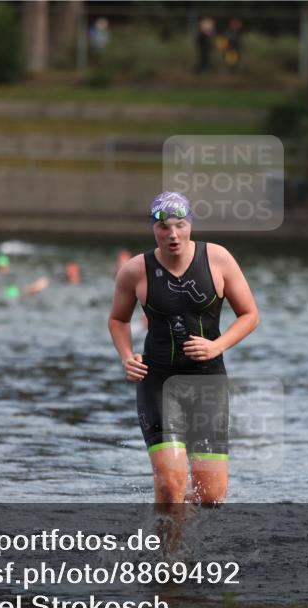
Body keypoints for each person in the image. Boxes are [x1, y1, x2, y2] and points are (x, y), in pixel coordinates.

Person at [108, 192, 259, 509]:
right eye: (164, 227)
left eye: (180, 225)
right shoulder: (136, 270)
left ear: (190, 224)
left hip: (208, 384)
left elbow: (250, 315)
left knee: (211, 497)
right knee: (170, 486)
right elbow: (118, 319)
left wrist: (217, 345)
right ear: (153, 229)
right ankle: (169, 555)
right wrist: (126, 356)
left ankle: (171, 515)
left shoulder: (217, 259)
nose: (172, 234)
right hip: (159, 382)